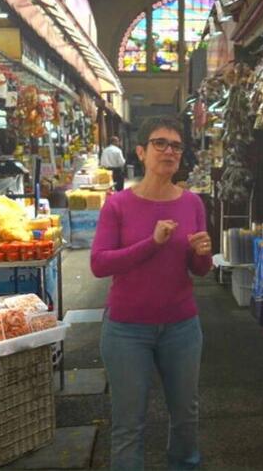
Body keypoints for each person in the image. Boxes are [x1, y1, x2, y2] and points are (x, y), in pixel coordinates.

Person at [90, 116, 213, 470]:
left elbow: (199, 270)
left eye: (176, 145)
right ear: (141, 152)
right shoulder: (118, 205)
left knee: (186, 416)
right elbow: (100, 264)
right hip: (127, 329)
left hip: (182, 326)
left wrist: (202, 253)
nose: (169, 151)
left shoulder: (192, 204)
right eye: (160, 143)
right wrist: (152, 243)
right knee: (129, 422)